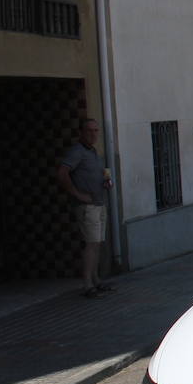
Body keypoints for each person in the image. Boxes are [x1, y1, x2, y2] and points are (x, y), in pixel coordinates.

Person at [57, 118, 112, 298]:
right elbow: (62, 173)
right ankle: (87, 283)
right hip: (87, 206)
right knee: (91, 244)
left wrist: (105, 183)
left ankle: (95, 279)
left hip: (98, 203)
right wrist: (77, 194)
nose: (93, 134)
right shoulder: (77, 152)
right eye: (89, 130)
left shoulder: (94, 152)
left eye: (96, 130)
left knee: (97, 244)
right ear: (81, 132)